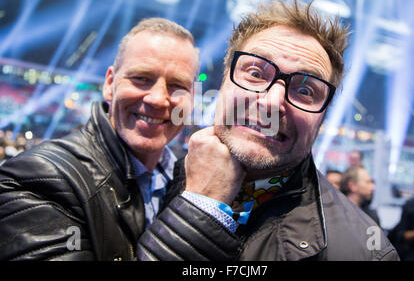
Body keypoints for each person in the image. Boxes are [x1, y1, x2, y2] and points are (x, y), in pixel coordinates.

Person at [137, 0, 399, 260]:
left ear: (323, 118)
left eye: (306, 90)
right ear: (225, 79)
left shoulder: (366, 253)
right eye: (255, 73)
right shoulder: (148, 185)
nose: (272, 102)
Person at [0, 18, 240, 261]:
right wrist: (198, 206)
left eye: (177, 85)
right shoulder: (39, 178)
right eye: (141, 78)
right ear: (109, 84)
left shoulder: (185, 176)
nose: (157, 99)